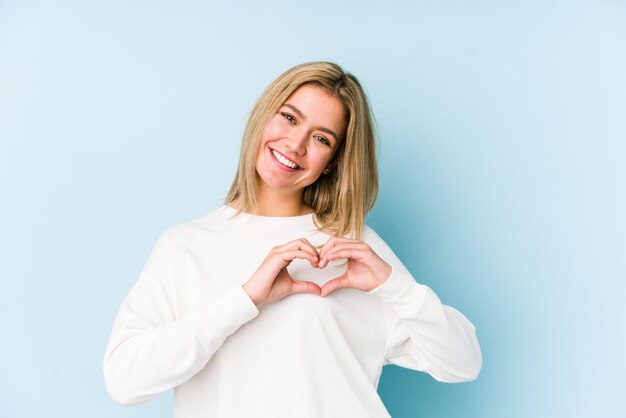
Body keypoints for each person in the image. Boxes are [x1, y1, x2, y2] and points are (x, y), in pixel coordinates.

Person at [103, 61, 482, 418]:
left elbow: (462, 363)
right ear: (264, 115)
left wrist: (395, 287)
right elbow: (125, 381)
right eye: (289, 117)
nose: (295, 145)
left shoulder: (351, 248)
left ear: (332, 161)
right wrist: (245, 299)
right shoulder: (184, 246)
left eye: (320, 138)